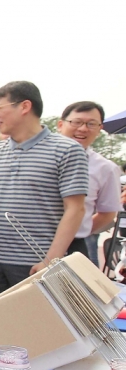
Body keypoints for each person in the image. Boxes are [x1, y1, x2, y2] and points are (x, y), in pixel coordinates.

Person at [0, 81, 88, 300]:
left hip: (33, 263)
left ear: (24, 107)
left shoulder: (67, 151)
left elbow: (75, 209)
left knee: (33, 330)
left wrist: (49, 260)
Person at [56, 101, 120, 265]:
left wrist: (77, 229)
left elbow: (107, 213)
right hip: (20, 245)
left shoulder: (106, 168)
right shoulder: (36, 158)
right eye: (77, 122)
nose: (83, 128)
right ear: (60, 124)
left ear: (100, 129)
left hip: (72, 248)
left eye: (91, 124)